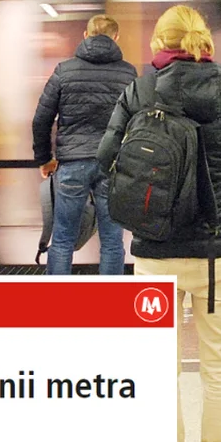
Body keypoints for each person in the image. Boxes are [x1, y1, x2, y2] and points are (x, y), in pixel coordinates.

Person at [97, 5, 221, 442]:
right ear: (204, 42)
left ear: (160, 45)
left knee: (160, 371)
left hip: (155, 252)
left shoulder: (140, 91)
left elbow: (106, 159)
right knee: (218, 368)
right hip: (216, 254)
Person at [31, 14, 136, 275]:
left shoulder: (64, 71)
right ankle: (110, 306)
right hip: (112, 164)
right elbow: (139, 121)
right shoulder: (128, 73)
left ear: (85, 35)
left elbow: (41, 119)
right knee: (112, 241)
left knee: (64, 237)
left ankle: (56, 304)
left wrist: (45, 159)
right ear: (116, 38)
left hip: (72, 164)